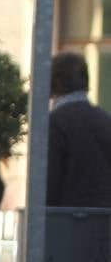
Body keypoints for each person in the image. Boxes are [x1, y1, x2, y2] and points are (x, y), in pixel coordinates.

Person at [48, 51, 111, 208]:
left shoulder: (55, 121)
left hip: (68, 220)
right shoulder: (104, 118)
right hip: (104, 220)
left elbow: (50, 180)